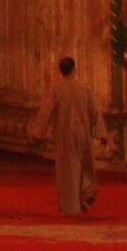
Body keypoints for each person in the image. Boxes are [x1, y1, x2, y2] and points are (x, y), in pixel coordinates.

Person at [33, 54, 100, 215]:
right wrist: (100, 132)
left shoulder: (56, 89)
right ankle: (84, 196)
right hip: (83, 133)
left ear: (60, 71)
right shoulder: (84, 88)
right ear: (74, 69)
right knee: (84, 166)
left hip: (65, 135)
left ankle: (71, 207)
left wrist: (38, 133)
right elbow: (94, 111)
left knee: (68, 170)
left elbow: (46, 112)